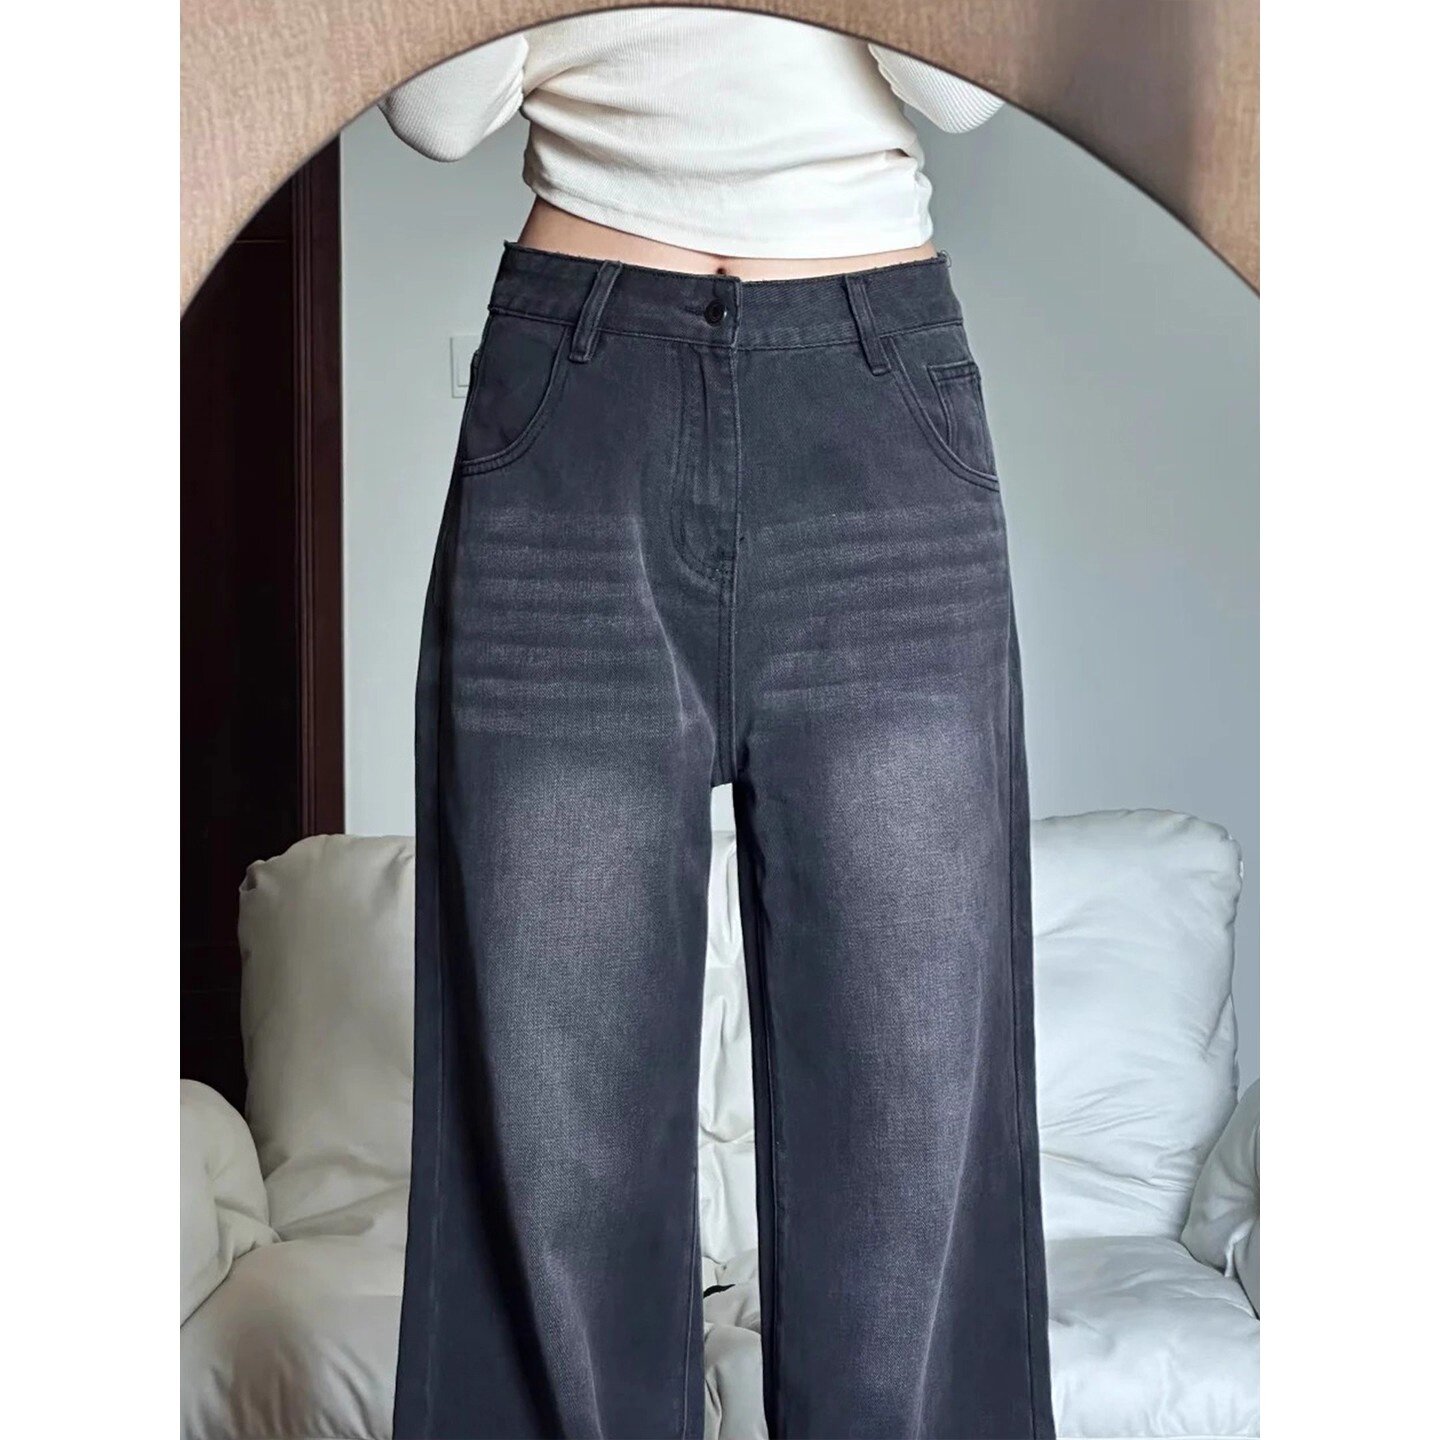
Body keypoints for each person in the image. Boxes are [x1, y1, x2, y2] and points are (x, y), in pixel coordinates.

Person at [381, 10, 1053, 1439]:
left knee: (913, 1103)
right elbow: (436, 111)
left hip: (872, 385)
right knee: (551, 1107)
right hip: (577, 395)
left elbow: (965, 89)